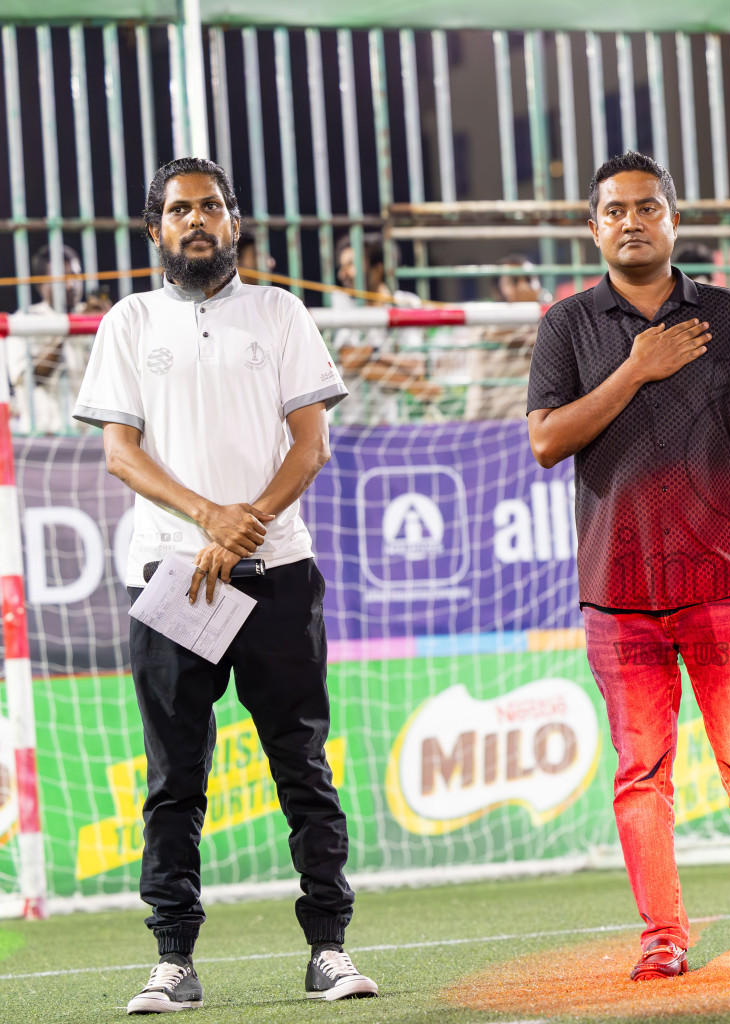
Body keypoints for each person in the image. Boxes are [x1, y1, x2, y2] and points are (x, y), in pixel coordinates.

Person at [71, 156, 377, 1011]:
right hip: (176, 580)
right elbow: (120, 452)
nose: (196, 220)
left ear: (234, 221)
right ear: (156, 229)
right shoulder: (129, 324)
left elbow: (310, 445)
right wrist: (211, 519)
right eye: (179, 210)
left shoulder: (279, 313)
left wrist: (247, 524)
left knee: (303, 769)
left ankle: (330, 949)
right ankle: (173, 958)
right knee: (175, 778)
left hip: (277, 575)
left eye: (210, 206)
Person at [527, 151, 730, 980]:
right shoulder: (567, 326)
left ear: (673, 220)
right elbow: (546, 441)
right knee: (642, 775)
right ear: (593, 228)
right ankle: (664, 937)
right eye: (614, 211)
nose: (631, 222)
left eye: (647, 208)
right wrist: (638, 367)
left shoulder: (727, 314)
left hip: (721, 580)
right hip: (616, 592)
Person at [331, 237, 440, 422]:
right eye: (341, 266)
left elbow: (414, 366)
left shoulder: (406, 303)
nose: (343, 274)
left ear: (377, 269)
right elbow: (348, 360)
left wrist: (368, 358)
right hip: (345, 423)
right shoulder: (342, 302)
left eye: (351, 264)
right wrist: (411, 383)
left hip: (387, 422)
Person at [9, 244, 89, 435]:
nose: (71, 285)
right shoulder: (23, 321)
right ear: (40, 284)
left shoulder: (92, 315)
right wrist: (71, 328)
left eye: (76, 275)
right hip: (42, 438)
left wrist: (108, 323)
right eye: (62, 278)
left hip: (89, 437)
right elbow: (30, 377)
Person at [464, 257, 543, 420]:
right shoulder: (487, 321)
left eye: (528, 280)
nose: (523, 286)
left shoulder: (547, 318)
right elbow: (496, 337)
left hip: (525, 415)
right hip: (487, 415)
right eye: (514, 281)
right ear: (497, 290)